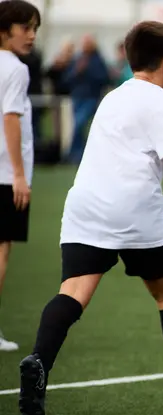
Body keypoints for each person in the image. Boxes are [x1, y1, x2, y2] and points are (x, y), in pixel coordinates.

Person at [17, 21, 163, 415]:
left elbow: (140, 146)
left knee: (73, 293)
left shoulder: (114, 96)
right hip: (135, 209)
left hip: (86, 206)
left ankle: (38, 361)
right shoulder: (162, 101)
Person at [0, 0, 39, 353]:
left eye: (35, 29)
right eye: (25, 27)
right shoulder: (14, 69)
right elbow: (10, 119)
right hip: (3, 174)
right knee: (1, 250)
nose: (31, 36)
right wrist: (18, 176)